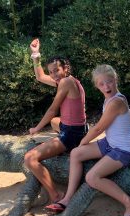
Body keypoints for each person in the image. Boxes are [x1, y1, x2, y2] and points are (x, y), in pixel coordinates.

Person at [46, 64, 130, 216]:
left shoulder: (116, 102)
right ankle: (68, 197)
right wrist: (81, 146)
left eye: (109, 82)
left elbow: (99, 128)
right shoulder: (108, 99)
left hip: (124, 150)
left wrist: (83, 141)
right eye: (101, 84)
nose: (106, 86)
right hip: (111, 143)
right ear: (97, 86)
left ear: (115, 80)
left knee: (92, 177)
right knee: (76, 154)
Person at [25, 38, 87, 204]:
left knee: (29, 158)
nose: (53, 75)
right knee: (54, 121)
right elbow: (40, 76)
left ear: (65, 68)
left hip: (72, 134)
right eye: (51, 72)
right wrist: (35, 54)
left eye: (56, 70)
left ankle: (55, 194)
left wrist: (36, 128)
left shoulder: (65, 82)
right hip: (79, 128)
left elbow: (52, 108)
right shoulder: (67, 80)